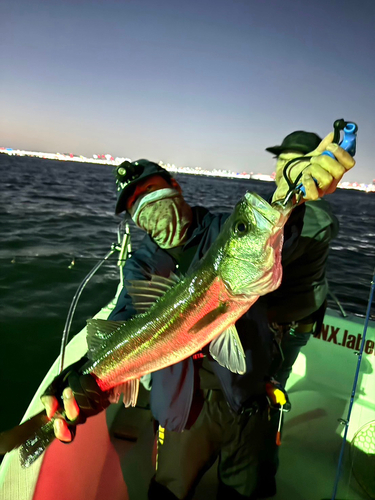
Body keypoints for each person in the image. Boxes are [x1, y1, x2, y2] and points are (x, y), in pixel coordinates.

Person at [41, 133, 354, 500]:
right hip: (182, 408)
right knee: (168, 493)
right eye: (135, 201)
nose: (145, 202)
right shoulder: (142, 264)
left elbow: (285, 235)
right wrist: (79, 376)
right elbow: (125, 318)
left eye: (149, 188)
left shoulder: (222, 228)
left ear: (174, 185)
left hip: (247, 396)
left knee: (249, 492)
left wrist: (293, 196)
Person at [255, 131, 340, 496]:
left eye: (293, 161)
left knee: (268, 394)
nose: (282, 168)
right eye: (280, 160)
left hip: (286, 328)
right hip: (274, 321)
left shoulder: (314, 216)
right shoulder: (278, 204)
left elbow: (266, 257)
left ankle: (261, 475)